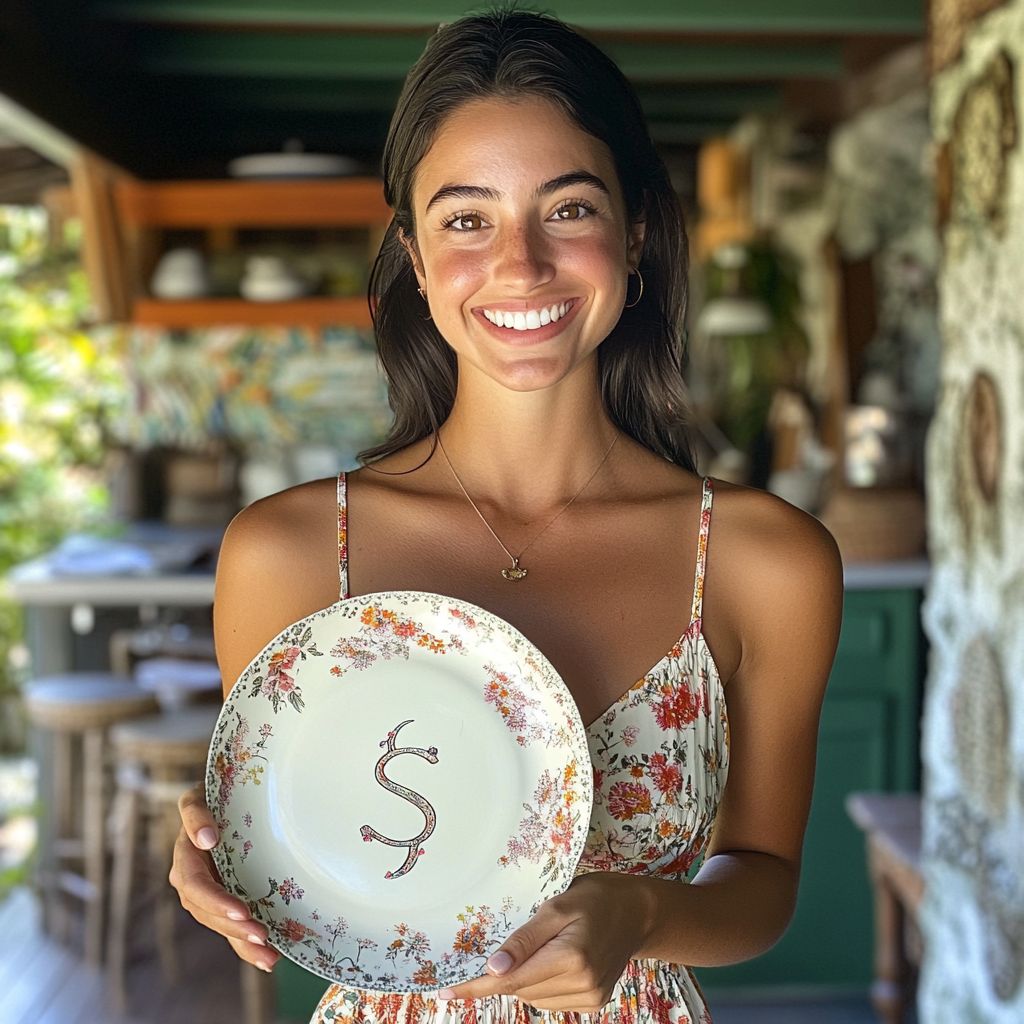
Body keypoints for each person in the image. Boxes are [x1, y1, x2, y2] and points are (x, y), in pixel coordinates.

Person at [170, 10, 843, 1024]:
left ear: (639, 229)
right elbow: (291, 862)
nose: (520, 264)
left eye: (567, 209)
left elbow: (765, 883)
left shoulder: (762, 560)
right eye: (466, 218)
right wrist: (216, 859)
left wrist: (641, 915)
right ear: (412, 250)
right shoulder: (292, 554)